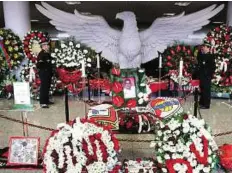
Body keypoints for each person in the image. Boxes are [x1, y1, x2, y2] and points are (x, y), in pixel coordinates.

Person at [197, 43, 216, 109]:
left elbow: (213, 67)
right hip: (202, 76)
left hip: (206, 76)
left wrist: (208, 74)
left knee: (206, 91)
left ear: (208, 48)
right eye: (203, 47)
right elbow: (199, 59)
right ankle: (201, 103)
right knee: (202, 90)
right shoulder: (202, 55)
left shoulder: (211, 56)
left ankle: (206, 105)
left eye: (204, 47)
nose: (203, 48)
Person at [36, 42, 54, 108]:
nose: (48, 46)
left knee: (47, 87)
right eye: (47, 45)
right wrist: (45, 67)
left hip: (48, 73)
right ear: (43, 46)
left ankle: (46, 100)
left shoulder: (47, 54)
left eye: (48, 45)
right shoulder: (41, 54)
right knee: (44, 87)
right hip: (44, 73)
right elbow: (39, 65)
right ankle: (43, 103)